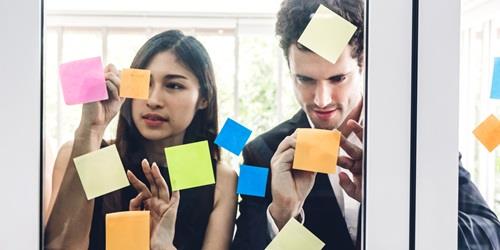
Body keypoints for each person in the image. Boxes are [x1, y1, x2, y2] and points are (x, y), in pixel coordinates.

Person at [231, 0, 500, 249]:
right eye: (305, 80)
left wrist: (392, 204)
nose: (321, 99)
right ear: (290, 70)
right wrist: (282, 214)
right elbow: (242, 244)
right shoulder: (258, 155)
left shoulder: (417, 140)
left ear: (363, 64)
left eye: (337, 78)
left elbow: (490, 235)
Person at [45, 30, 237, 250]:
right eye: (145, 83)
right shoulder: (97, 155)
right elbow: (59, 246)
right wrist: (90, 131)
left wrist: (163, 246)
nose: (153, 100)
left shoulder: (221, 178)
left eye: (174, 85)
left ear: (204, 99)